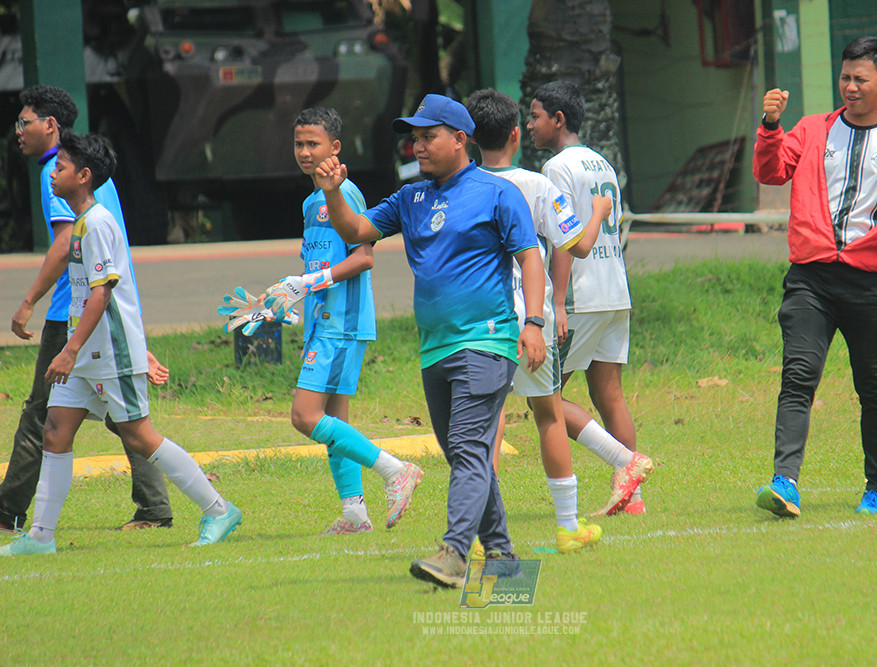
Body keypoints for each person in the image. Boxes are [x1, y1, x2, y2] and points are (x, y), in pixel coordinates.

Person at [314, 93, 547, 588]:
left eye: (428, 136)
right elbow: (358, 228)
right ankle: (503, 556)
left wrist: (534, 322)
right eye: (414, 138)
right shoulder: (411, 197)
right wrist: (334, 192)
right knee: (463, 453)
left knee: (466, 447)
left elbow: (530, 256)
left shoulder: (496, 193)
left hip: (486, 341)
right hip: (436, 347)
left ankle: (454, 554)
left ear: (460, 139)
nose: (417, 146)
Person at [0, 134, 243, 557]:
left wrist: (70, 349)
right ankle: (41, 536)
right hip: (86, 352)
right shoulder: (82, 221)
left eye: (61, 168)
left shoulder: (95, 223)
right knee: (55, 430)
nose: (53, 174)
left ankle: (219, 509)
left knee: (139, 435)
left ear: (84, 176)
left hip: (105, 351)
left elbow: (102, 294)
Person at [753, 36, 877, 517]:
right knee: (798, 375)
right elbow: (772, 172)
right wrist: (770, 126)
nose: (850, 87)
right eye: (845, 78)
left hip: (870, 284)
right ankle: (784, 483)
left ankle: (876, 487)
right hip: (811, 279)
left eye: (861, 79)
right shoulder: (814, 129)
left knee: (874, 389)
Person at [1, 85, 172, 535]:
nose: (18, 131)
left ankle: (6, 513)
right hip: (106, 305)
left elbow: (63, 243)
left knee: (42, 412)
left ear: (50, 126)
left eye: (25, 122)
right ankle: (157, 506)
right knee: (120, 417)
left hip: (74, 309)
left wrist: (27, 301)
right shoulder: (92, 166)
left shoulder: (60, 171)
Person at [260, 107, 422, 534]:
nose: (305, 152)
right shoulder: (311, 201)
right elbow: (314, 267)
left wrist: (309, 282)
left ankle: (395, 470)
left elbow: (363, 258)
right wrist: (287, 300)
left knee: (304, 416)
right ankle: (355, 514)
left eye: (313, 144)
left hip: (342, 325)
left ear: (335, 147)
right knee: (336, 422)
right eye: (299, 143)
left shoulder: (343, 194)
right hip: (323, 322)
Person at [467, 88, 612, 553]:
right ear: (515, 134)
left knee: (486, 423)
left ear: (468, 139)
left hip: (481, 319)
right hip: (532, 317)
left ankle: (474, 530)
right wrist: (598, 214)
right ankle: (569, 527)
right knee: (548, 414)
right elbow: (579, 247)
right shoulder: (539, 185)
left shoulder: (460, 186)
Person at [528, 80, 653, 515]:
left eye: (535, 116)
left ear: (557, 120)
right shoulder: (601, 162)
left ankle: (626, 463)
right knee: (610, 394)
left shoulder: (557, 168)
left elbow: (567, 239)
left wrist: (557, 303)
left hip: (581, 296)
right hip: (615, 289)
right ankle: (631, 498)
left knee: (543, 396)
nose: (529, 126)